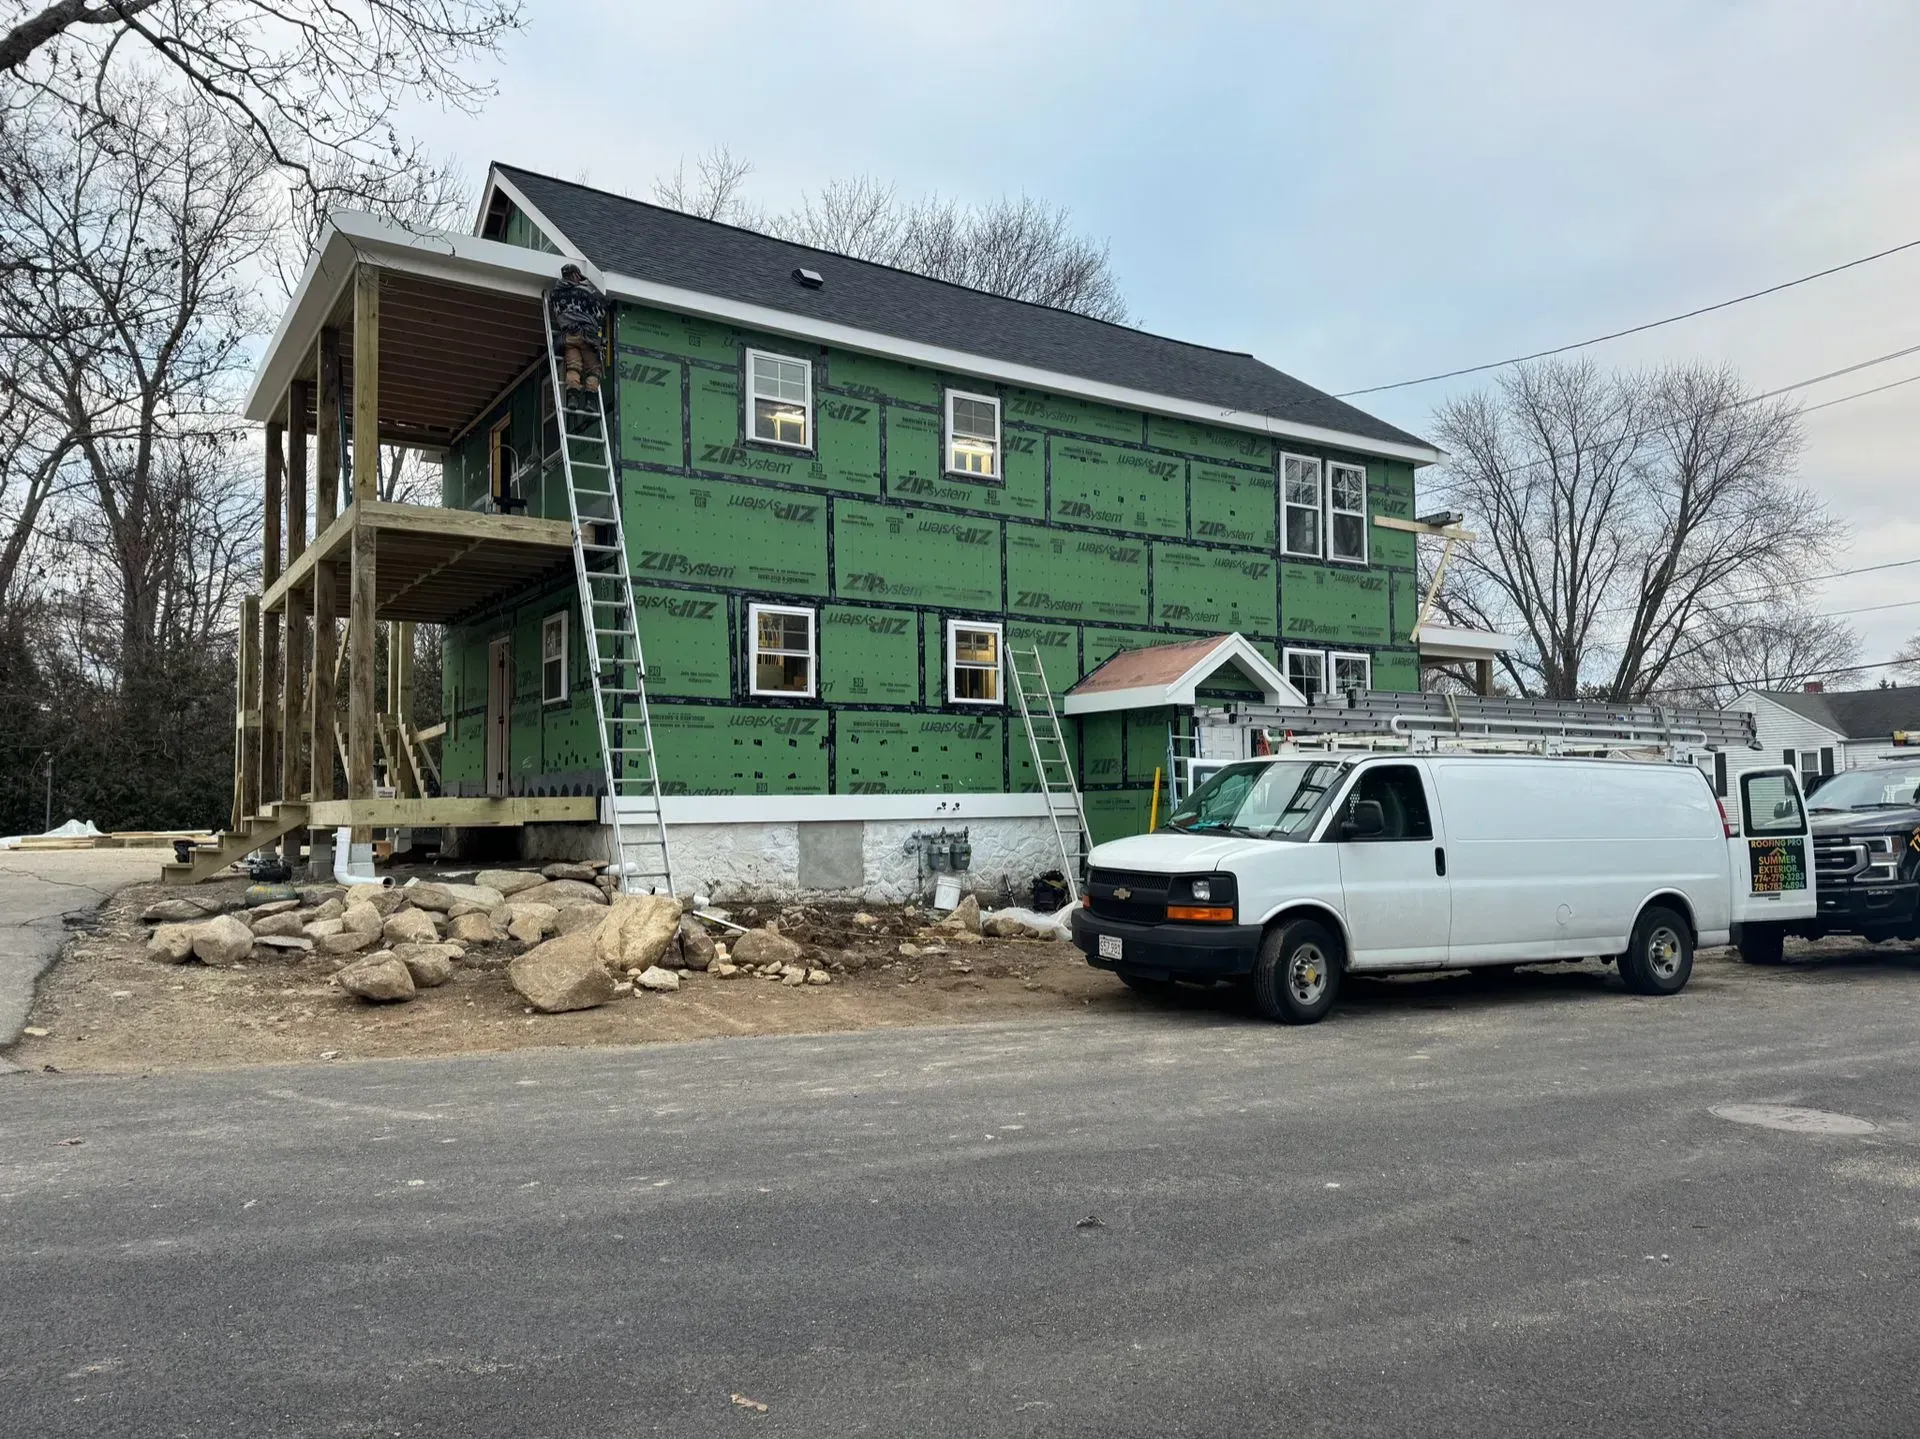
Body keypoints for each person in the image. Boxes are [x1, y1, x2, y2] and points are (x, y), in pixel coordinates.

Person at [549, 263, 606, 412]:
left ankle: (573, 399)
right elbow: (600, 314)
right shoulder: (584, 292)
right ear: (575, 275)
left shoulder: (555, 295)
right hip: (587, 337)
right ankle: (590, 402)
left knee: (573, 367)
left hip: (569, 337)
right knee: (593, 370)